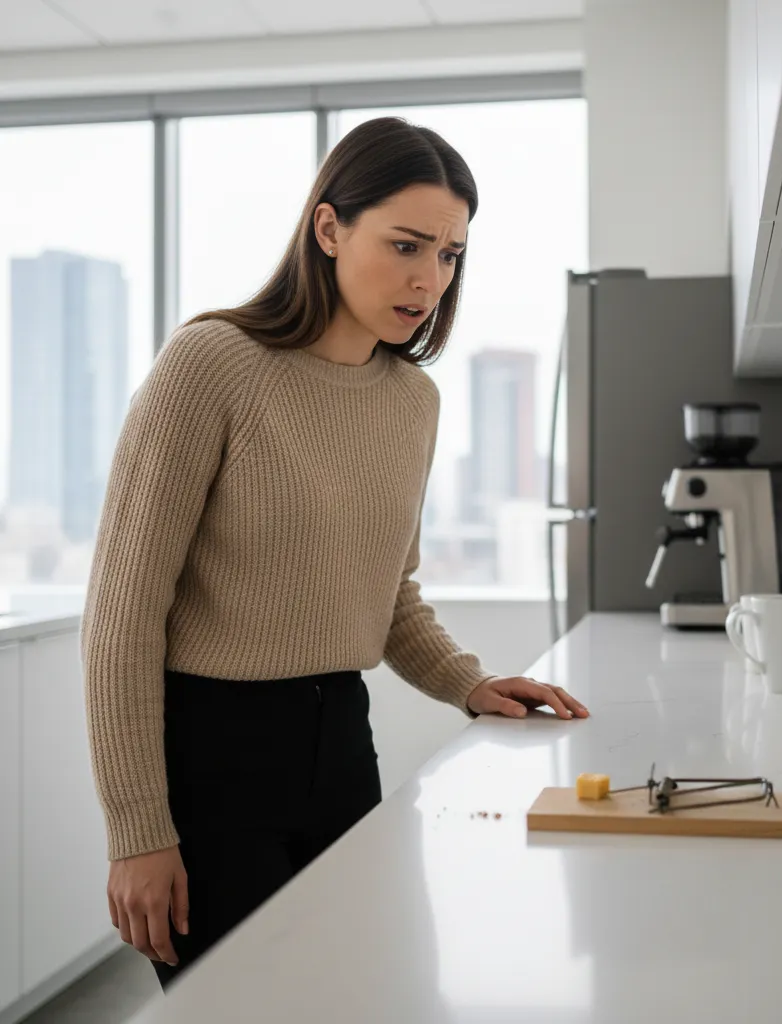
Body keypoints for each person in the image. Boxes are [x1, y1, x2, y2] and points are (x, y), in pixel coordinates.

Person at [81, 115, 589, 990]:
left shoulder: (411, 401)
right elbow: (123, 622)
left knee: (381, 995)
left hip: (342, 747)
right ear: (328, 228)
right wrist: (138, 832)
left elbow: (387, 593)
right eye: (406, 245)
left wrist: (466, 681)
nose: (429, 279)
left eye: (450, 255)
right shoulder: (211, 365)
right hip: (213, 759)